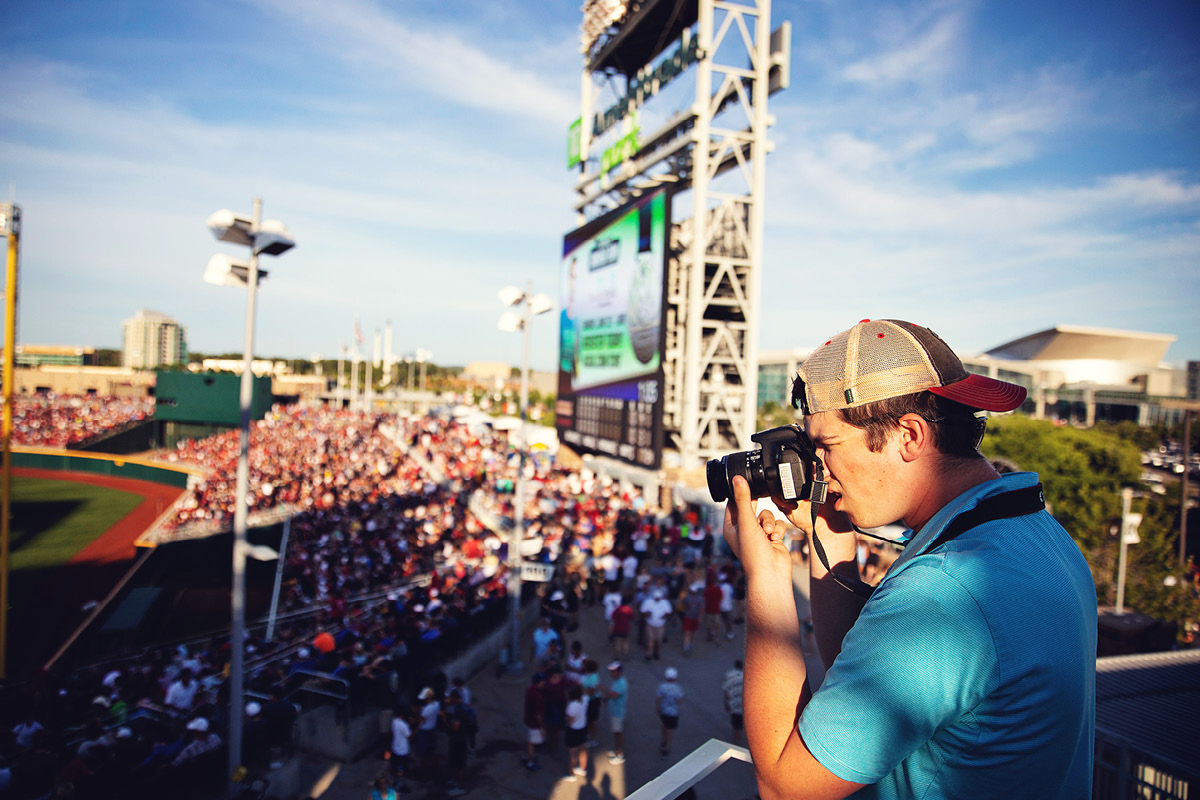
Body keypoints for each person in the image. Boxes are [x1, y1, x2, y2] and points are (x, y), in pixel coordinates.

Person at [722, 318, 1097, 799]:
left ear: (910, 436)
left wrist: (767, 577)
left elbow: (784, 785)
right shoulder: (1032, 532)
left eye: (826, 446)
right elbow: (874, 686)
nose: (817, 467)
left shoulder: (944, 592)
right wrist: (829, 540)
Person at [655, 666, 684, 759]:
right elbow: (679, 700)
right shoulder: (678, 688)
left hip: (664, 710)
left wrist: (658, 707)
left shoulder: (662, 686)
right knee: (670, 730)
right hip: (673, 712)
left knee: (664, 726)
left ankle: (663, 740)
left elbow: (659, 698)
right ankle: (666, 747)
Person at [603, 661, 627, 765]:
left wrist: (601, 688)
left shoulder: (621, 684)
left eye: (613, 672)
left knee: (618, 732)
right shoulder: (617, 681)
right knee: (616, 731)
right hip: (614, 710)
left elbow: (613, 695)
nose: (611, 674)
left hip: (618, 712)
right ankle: (617, 749)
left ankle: (620, 753)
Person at [640, 587, 673, 661]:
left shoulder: (665, 602)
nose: (657, 599)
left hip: (660, 626)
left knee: (658, 641)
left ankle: (656, 652)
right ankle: (648, 654)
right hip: (650, 625)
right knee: (650, 641)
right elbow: (643, 611)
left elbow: (669, 612)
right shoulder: (648, 602)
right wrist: (647, 614)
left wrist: (665, 616)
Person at [564, 683, 588, 780]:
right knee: (582, 748)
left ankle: (571, 773)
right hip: (583, 727)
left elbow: (571, 720)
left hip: (573, 729)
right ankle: (583, 768)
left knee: (573, 752)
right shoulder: (585, 699)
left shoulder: (572, 705)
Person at [722, 660, 744, 746]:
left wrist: (726, 702)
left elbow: (726, 690)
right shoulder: (745, 676)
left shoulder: (729, 675)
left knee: (735, 723)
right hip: (742, 704)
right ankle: (737, 739)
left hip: (733, 703)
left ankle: (736, 738)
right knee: (740, 723)